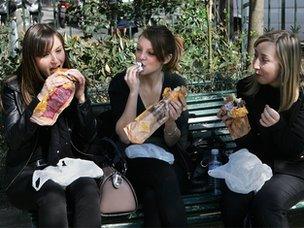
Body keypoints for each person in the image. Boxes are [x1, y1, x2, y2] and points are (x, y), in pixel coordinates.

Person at [1, 23, 100, 227]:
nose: (55, 61)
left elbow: (88, 137)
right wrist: (41, 99)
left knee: (88, 190)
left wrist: (81, 98)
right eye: (46, 54)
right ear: (32, 59)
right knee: (53, 195)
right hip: (28, 173)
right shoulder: (14, 88)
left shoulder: (69, 83)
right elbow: (13, 140)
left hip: (67, 167)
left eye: (58, 51)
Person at [218, 30, 304, 227]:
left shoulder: (301, 95)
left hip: (294, 169)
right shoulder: (248, 87)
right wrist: (237, 127)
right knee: (233, 198)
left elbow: (295, 150)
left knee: (267, 202)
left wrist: (277, 127)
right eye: (255, 55)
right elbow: (251, 146)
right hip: (257, 161)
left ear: (284, 63)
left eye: (264, 59)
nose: (255, 64)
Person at [108, 25, 188, 227]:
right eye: (138, 49)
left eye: (150, 53)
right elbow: (125, 138)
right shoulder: (121, 82)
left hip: (169, 161)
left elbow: (173, 140)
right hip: (134, 162)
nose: (141, 57)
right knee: (162, 175)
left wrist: (170, 120)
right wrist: (133, 91)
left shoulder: (175, 84)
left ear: (166, 58)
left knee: (152, 197)